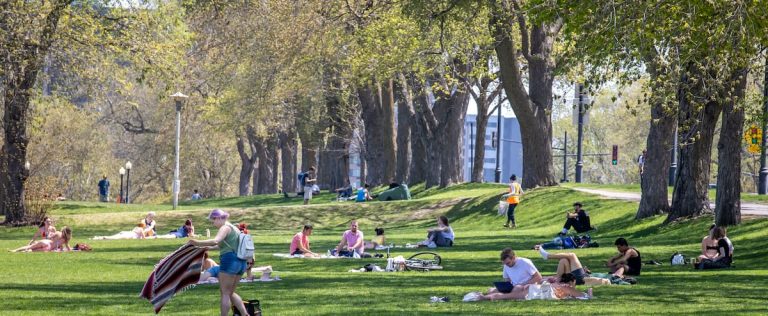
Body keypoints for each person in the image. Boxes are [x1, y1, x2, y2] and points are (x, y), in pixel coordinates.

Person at [188, 209, 250, 316]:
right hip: (241, 262)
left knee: (225, 293)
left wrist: (196, 242)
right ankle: (245, 314)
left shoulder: (224, 227)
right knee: (230, 292)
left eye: (213, 220)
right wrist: (207, 248)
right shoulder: (234, 228)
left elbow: (216, 240)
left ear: (219, 218)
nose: (213, 223)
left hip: (230, 261)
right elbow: (223, 245)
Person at [477, 248, 542, 301]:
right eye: (504, 263)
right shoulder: (506, 265)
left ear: (513, 257)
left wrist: (523, 284)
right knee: (491, 290)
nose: (506, 265)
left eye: (508, 263)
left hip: (526, 286)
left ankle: (489, 297)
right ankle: (493, 295)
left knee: (517, 288)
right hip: (514, 286)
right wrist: (504, 287)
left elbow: (538, 277)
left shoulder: (525, 262)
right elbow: (507, 280)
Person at [535, 245, 610, 286]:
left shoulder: (611, 277)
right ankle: (558, 280)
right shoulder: (607, 275)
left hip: (580, 279)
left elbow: (607, 280)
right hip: (577, 277)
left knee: (572, 255)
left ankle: (548, 256)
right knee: (563, 260)